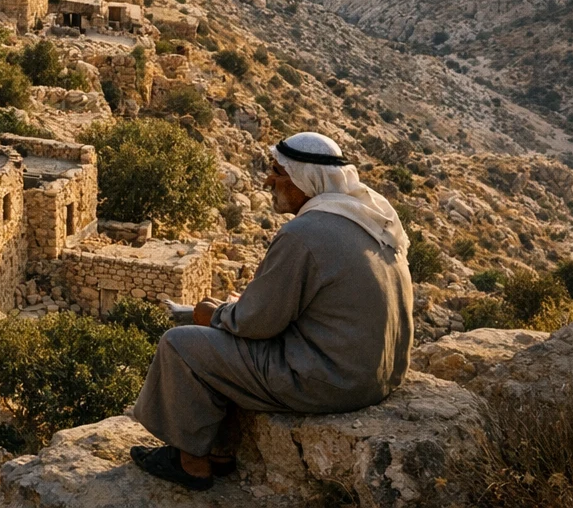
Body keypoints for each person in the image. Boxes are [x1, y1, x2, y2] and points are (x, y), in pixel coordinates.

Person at [129, 131, 413, 491]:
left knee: (180, 345)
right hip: (379, 375)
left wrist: (214, 314)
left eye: (278, 172)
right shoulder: (369, 216)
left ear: (305, 180)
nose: (268, 180)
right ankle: (218, 449)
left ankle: (191, 464)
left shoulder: (305, 232)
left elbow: (257, 322)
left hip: (333, 382)